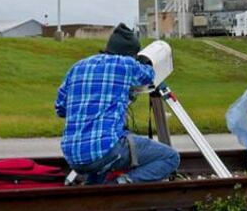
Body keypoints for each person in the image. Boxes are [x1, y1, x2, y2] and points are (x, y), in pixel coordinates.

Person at [55, 24, 180, 184]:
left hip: (73, 156)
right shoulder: (126, 64)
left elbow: (60, 109)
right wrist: (143, 62)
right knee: (170, 157)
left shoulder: (77, 67)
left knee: (103, 158)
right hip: (106, 150)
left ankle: (96, 191)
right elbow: (149, 75)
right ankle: (121, 184)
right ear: (131, 54)